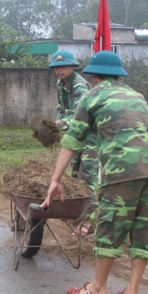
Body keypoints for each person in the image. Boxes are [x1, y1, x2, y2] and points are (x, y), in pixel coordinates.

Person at [38, 51, 148, 294]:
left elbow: (72, 142)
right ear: (119, 75)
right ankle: (131, 293)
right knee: (145, 227)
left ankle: (97, 288)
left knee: (111, 224)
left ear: (93, 76)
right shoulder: (136, 95)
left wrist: (55, 180)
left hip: (123, 169)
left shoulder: (91, 95)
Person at [49, 49, 100, 236]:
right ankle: (77, 214)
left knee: (88, 179)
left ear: (72, 66)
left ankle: (88, 221)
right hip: (76, 136)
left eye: (63, 66)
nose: (59, 70)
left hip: (91, 137)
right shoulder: (61, 84)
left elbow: (81, 116)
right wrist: (57, 121)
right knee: (75, 175)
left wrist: (59, 125)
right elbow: (61, 109)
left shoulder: (80, 87)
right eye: (55, 67)